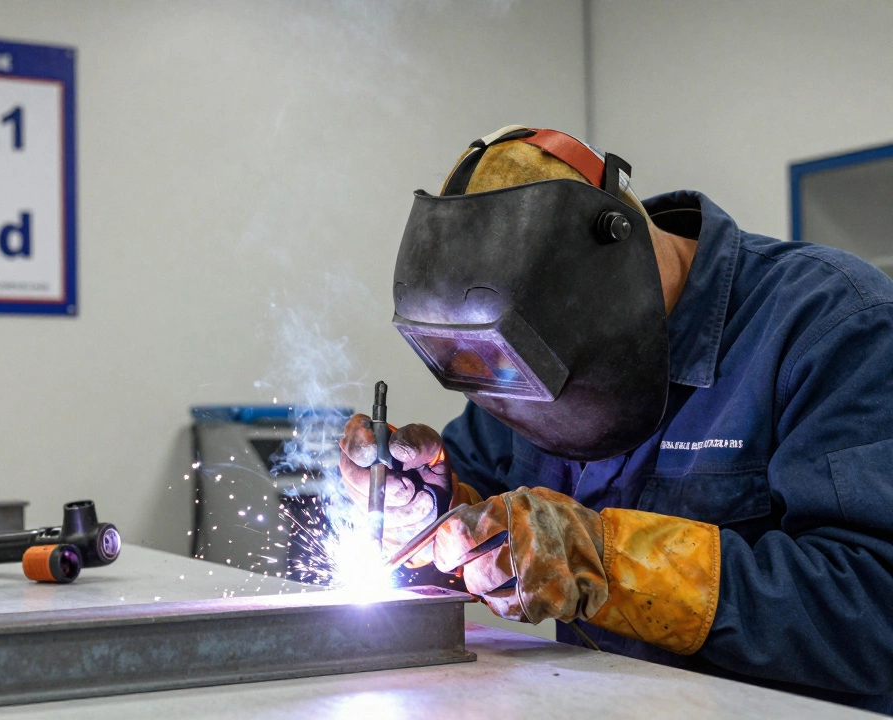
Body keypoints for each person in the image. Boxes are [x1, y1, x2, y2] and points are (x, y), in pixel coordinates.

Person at [340, 125, 893, 712]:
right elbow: (482, 504)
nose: (529, 397)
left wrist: (611, 563)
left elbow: (873, 610)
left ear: (614, 260)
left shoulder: (833, 326)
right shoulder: (528, 342)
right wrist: (430, 510)